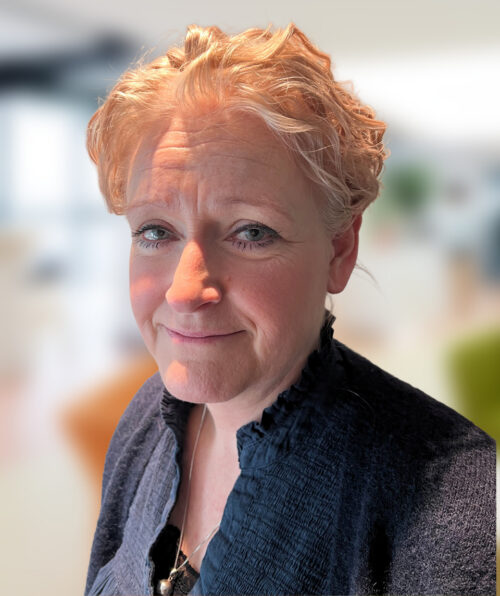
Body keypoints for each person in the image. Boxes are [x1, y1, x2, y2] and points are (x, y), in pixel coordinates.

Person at [84, 23, 495, 596]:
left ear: (340, 250)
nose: (184, 290)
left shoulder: (454, 503)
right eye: (155, 230)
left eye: (251, 232)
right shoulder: (145, 422)